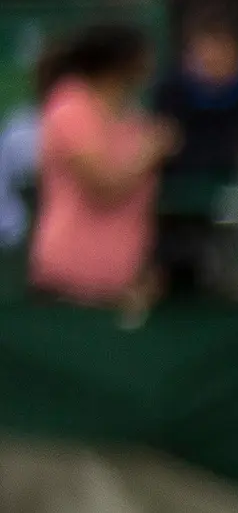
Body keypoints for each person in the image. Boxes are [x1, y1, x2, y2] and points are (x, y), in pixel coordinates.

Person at [25, 24, 176, 324]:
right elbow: (105, 185)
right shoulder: (69, 109)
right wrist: (151, 151)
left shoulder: (130, 115)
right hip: (68, 282)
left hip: (125, 284)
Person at [153, 3, 238, 299]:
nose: (213, 58)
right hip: (174, 214)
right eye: (205, 49)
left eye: (221, 49)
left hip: (226, 205)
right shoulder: (170, 90)